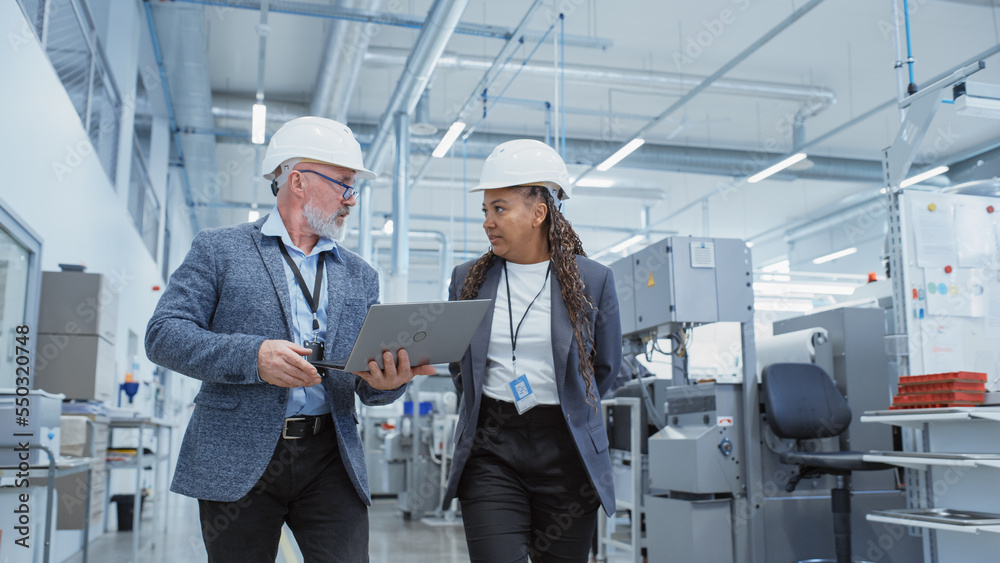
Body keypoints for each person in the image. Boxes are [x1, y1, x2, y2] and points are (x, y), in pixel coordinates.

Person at [145, 116, 433, 562]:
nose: (351, 200)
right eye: (343, 183)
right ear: (297, 181)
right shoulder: (219, 250)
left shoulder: (361, 276)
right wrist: (253, 356)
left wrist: (388, 382)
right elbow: (164, 335)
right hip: (238, 455)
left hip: (331, 457)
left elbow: (363, 385)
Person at [442, 139, 623, 562]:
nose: (488, 221)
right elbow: (459, 365)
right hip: (491, 450)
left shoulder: (592, 280)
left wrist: (573, 406)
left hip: (567, 451)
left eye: (499, 208)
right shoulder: (467, 279)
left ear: (539, 212)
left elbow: (606, 368)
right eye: (485, 210)